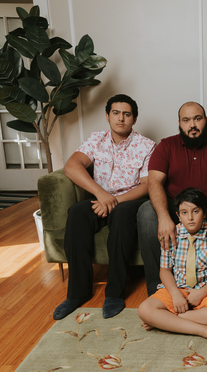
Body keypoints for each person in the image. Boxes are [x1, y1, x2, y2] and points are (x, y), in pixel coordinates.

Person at [138, 101, 207, 319]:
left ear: (205, 120)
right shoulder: (166, 146)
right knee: (145, 212)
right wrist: (163, 216)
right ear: (179, 123)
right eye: (186, 120)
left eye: (197, 118)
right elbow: (154, 183)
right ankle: (159, 292)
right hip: (176, 208)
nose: (193, 125)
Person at [53, 94, 156, 320]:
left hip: (129, 201)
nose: (121, 118)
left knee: (120, 215)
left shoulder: (146, 146)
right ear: (107, 116)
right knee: (77, 213)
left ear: (134, 119)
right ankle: (77, 293)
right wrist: (101, 194)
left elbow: (148, 186)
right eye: (116, 113)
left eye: (127, 114)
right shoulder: (96, 140)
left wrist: (115, 200)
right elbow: (72, 166)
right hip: (99, 199)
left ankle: (114, 293)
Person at [138, 188, 207, 348]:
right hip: (178, 287)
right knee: (144, 310)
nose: (190, 218)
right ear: (178, 215)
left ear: (204, 213)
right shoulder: (172, 234)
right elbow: (165, 271)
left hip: (206, 289)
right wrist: (175, 294)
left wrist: (201, 293)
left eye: (195, 211)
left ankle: (166, 321)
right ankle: (203, 330)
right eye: (184, 212)